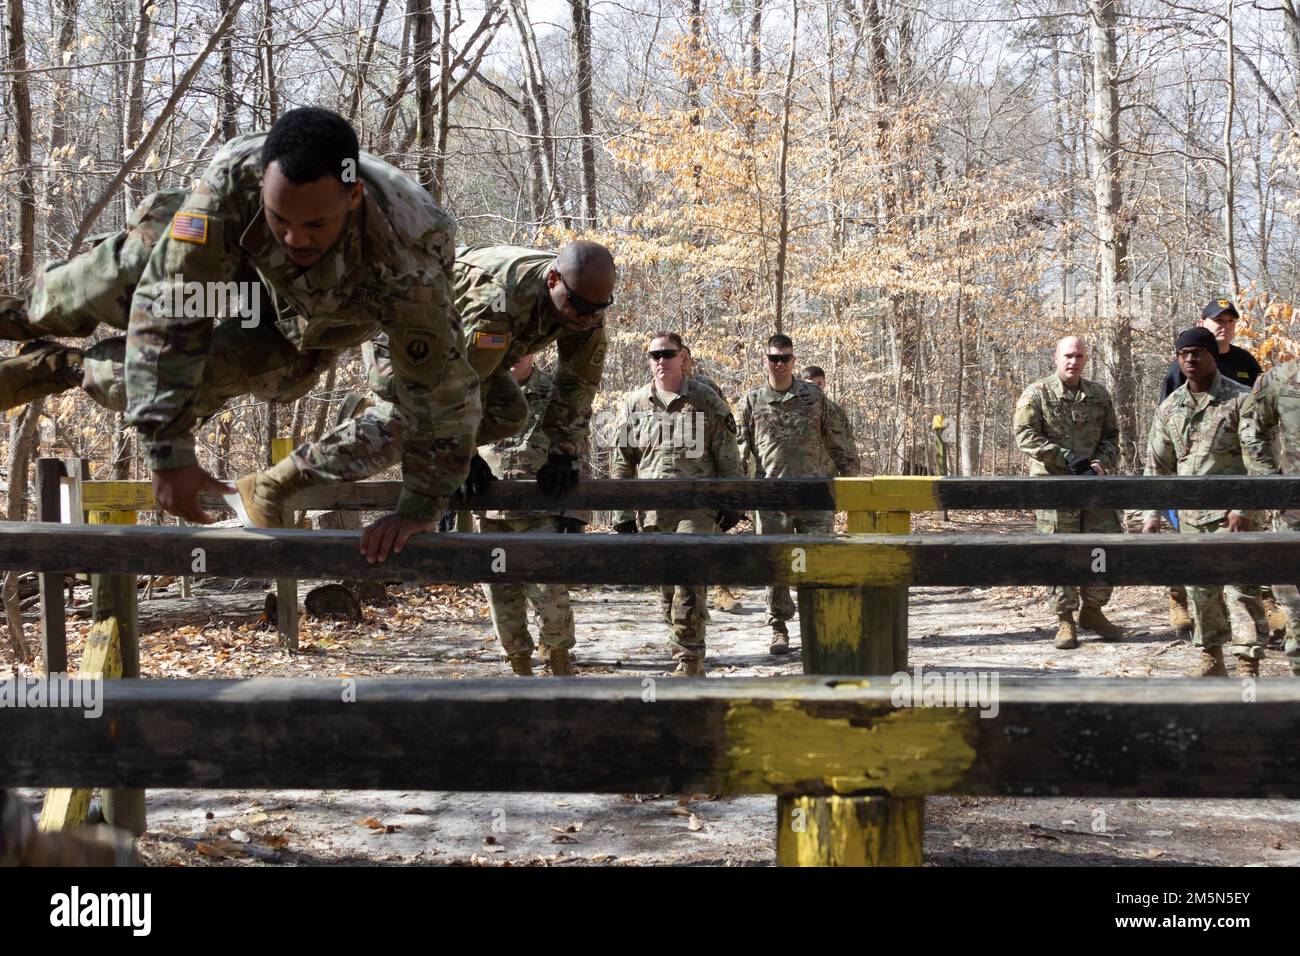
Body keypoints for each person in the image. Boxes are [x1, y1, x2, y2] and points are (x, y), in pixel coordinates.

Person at [0, 107, 481, 564]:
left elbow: (438, 391)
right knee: (119, 277)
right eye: (281, 219)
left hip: (312, 315)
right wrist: (168, 451)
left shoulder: (410, 258)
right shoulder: (234, 181)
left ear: (353, 198)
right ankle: (18, 316)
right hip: (238, 258)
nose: (295, 238)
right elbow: (172, 311)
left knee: (199, 382)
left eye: (316, 223)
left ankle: (61, 367)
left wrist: (420, 506)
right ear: (262, 193)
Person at [610, 332, 743, 676]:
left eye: (667, 354)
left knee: (688, 580)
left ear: (682, 356)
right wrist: (622, 514)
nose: (660, 360)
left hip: (696, 508)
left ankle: (690, 660)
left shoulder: (705, 400)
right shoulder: (636, 403)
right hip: (652, 510)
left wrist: (732, 501)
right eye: (654, 354)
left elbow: (727, 454)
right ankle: (684, 651)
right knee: (667, 590)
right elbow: (623, 461)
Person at [1143, 327, 1268, 678]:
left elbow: (1260, 460)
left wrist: (1244, 508)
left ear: (1214, 356)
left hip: (1235, 517)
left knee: (1241, 590)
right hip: (1193, 519)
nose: (1190, 359)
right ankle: (1211, 659)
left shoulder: (1242, 400)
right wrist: (1151, 513)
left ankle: (1247, 665)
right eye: (1183, 353)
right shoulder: (1170, 408)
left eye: (1198, 352)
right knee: (1201, 592)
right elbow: (1158, 465)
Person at [1157, 298, 1281, 637]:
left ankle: (1250, 652)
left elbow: (1258, 445)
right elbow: (1166, 441)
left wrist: (1251, 498)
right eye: (1217, 319)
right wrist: (1156, 506)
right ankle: (1187, 615)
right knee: (1199, 580)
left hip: (1234, 496)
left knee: (1242, 579)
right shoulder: (1181, 368)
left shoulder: (1243, 366)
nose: (1223, 324)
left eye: (1229, 319)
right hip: (1191, 497)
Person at [739, 334, 859, 655]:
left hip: (815, 497)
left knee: (817, 563)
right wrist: (734, 495)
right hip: (772, 499)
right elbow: (739, 451)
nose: (779, 364)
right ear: (764, 360)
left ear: (794, 361)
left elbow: (839, 443)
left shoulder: (814, 398)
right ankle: (778, 628)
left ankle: (818, 628)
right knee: (777, 566)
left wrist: (853, 487)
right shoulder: (751, 402)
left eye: (785, 358)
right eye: (773, 358)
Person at [1013, 335, 1125, 649]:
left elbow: (1112, 437)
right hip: (1054, 487)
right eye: (1068, 356)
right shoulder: (1037, 394)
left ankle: (1093, 610)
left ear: (1086, 359)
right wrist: (1064, 457)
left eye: (1079, 356)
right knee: (1060, 553)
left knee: (1102, 549)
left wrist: (1101, 462)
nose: (1073, 362)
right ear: (1056, 357)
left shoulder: (1099, 395)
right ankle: (1065, 620)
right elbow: (1024, 436)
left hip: (1092, 487)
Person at [475, 354, 579, 676]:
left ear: (533, 351)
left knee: (548, 590)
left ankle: (558, 658)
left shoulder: (554, 392)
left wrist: (575, 515)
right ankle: (518, 663)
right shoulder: (481, 389)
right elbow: (455, 435)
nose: (514, 356)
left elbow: (577, 445)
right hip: (492, 514)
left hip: (541, 511)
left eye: (522, 348)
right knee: (500, 593)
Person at [1240, 354, 1300, 674]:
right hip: (1294, 512)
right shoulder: (1281, 379)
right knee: (1296, 604)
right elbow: (1252, 426)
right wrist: (1268, 482)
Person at [681, 344, 743, 615]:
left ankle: (720, 589)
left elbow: (725, 436)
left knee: (714, 538)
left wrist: (730, 489)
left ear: (691, 360)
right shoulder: (656, 392)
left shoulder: (707, 390)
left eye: (684, 357)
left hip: (708, 477)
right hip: (674, 483)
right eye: (675, 356)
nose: (680, 363)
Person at [800, 365, 859, 475]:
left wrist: (851, 475)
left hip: (829, 476)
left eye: (819, 384)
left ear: (824, 384)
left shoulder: (836, 411)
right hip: (800, 476)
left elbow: (849, 443)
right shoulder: (795, 410)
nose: (815, 388)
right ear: (802, 385)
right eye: (810, 384)